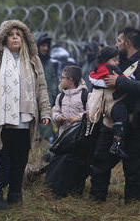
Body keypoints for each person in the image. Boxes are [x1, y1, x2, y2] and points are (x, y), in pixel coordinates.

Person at [0, 20, 51, 209]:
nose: (15, 37)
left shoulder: (33, 60)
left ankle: (15, 193)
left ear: (24, 38)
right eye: (11, 34)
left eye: (19, 34)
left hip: (25, 121)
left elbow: (41, 88)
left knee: (20, 159)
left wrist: (45, 111)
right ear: (4, 38)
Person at [90, 27, 140, 203]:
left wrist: (119, 81)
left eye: (119, 41)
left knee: (133, 167)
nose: (116, 44)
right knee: (101, 160)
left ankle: (132, 204)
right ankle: (97, 199)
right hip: (111, 120)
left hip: (134, 123)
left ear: (127, 42)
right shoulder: (116, 61)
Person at [45, 66, 90, 198]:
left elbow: (91, 112)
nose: (60, 80)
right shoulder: (60, 96)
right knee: (61, 163)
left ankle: (75, 191)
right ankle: (59, 190)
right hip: (63, 137)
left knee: (76, 164)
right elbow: (55, 111)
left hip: (79, 140)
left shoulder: (85, 95)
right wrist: (58, 117)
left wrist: (78, 118)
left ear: (70, 80)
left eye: (63, 78)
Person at [88, 46, 128, 158]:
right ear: (106, 60)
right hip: (114, 102)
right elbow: (124, 80)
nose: (117, 62)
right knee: (121, 118)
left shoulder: (98, 69)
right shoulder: (112, 69)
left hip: (104, 106)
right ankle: (117, 143)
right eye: (114, 60)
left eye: (117, 60)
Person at [37, 33, 58, 142]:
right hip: (33, 105)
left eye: (47, 46)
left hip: (47, 105)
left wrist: (53, 101)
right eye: (43, 45)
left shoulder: (50, 64)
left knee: (46, 135)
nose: (45, 48)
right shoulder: (33, 62)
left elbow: (54, 84)